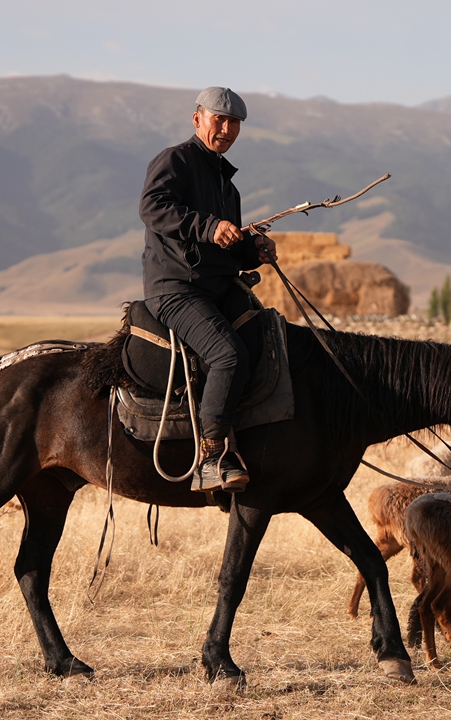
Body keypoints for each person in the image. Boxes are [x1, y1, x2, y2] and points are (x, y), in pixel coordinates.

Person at [139, 86, 277, 494]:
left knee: (271, 337)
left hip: (217, 287)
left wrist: (254, 249)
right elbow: (152, 207)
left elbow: (226, 249)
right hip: (176, 289)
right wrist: (210, 226)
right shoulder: (174, 160)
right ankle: (211, 456)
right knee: (228, 354)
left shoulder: (226, 185)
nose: (228, 129)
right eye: (220, 119)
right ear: (197, 119)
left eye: (235, 123)